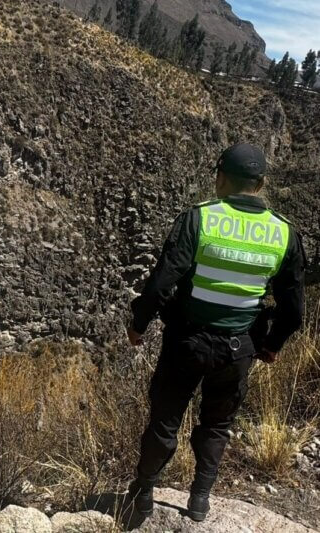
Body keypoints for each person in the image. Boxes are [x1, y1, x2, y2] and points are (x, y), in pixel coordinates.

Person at [125, 143, 306, 522]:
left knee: (164, 422)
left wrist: (138, 324)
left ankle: (142, 494)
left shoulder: (200, 218)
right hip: (239, 348)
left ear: (221, 177)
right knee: (217, 425)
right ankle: (200, 499)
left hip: (186, 342)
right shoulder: (284, 233)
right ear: (262, 183)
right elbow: (294, 310)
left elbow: (161, 283)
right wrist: (272, 345)